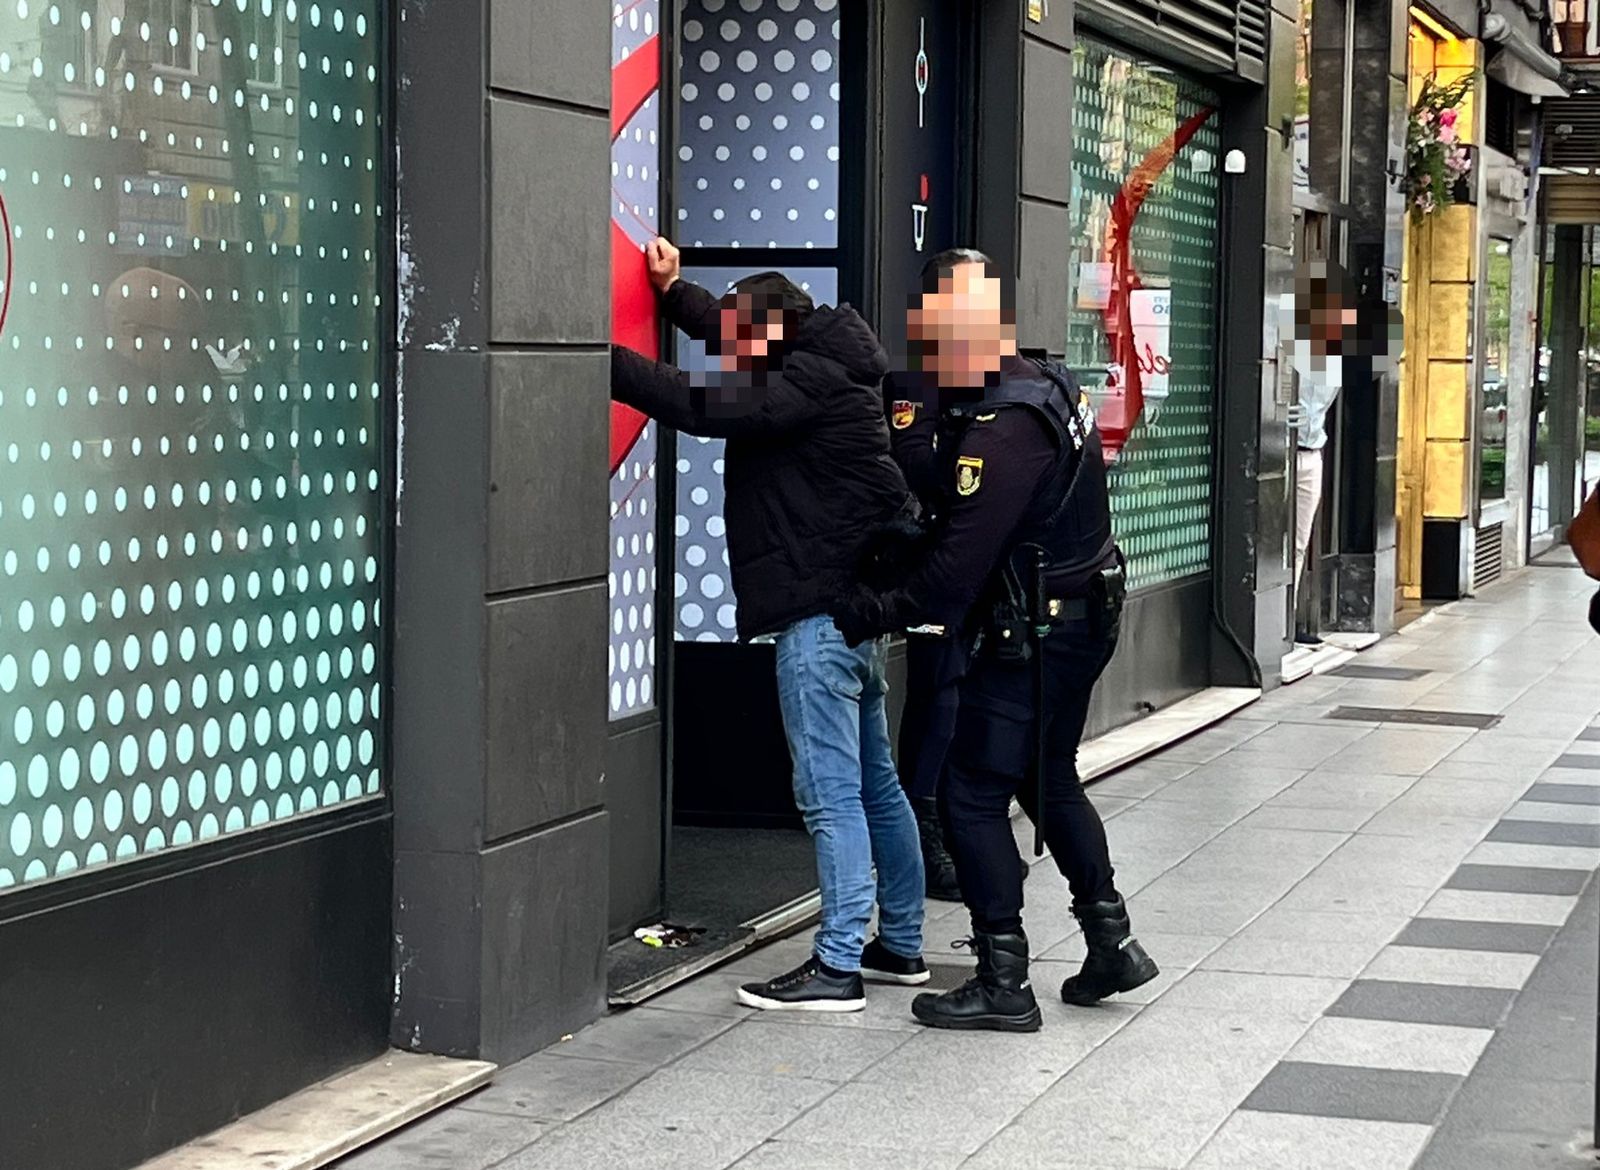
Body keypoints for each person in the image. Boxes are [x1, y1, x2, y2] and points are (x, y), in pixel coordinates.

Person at [833, 250, 1158, 1032]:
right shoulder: (1046, 380)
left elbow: (953, 565)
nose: (932, 349)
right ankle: (1112, 941)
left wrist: (870, 609)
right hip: (1080, 615)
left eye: (940, 332)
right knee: (1047, 777)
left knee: (975, 793)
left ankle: (1002, 979)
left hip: (1037, 631)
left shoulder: (1006, 427)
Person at [611, 237, 927, 1012]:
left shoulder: (802, 383)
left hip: (817, 619)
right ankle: (903, 945)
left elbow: (698, 403)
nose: (731, 349)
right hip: (852, 617)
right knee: (877, 786)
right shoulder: (824, 358)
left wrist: (601, 358)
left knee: (832, 796)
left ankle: (838, 964)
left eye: (743, 340)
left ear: (774, 336)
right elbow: (730, 333)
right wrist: (676, 291)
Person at [883, 253, 1030, 903]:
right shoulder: (916, 384)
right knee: (937, 697)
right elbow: (924, 468)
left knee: (986, 701)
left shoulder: (1007, 378)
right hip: (942, 564)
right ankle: (925, 827)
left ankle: (972, 828)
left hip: (998, 570)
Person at [1286, 260, 1358, 646]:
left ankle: (1288, 619)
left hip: (1311, 454)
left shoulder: (1334, 355)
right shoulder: (1287, 345)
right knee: (1273, 539)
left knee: (1298, 542)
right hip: (1280, 454)